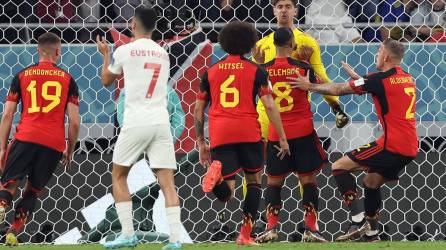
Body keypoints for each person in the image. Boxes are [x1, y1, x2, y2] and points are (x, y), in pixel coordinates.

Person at [288, 38, 418, 242]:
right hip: (410, 146)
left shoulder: (378, 80)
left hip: (391, 145)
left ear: (385, 56)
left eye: (378, 51)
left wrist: (308, 86)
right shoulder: (406, 78)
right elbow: (383, 90)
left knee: (339, 166)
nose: (377, 55)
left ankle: (358, 220)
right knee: (371, 182)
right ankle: (373, 234)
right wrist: (358, 78)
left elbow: (339, 90)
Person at [194, 21, 290, 245]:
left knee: (227, 194)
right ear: (249, 44)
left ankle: (216, 178)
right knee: (254, 182)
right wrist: (282, 137)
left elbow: (198, 108)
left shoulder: (210, 72)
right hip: (248, 132)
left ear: (224, 43)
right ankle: (245, 235)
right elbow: (269, 105)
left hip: (220, 134)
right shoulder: (258, 71)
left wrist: (201, 142)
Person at [96, 6, 182, 250]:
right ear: (154, 26)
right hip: (160, 122)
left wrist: (105, 54)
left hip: (135, 121)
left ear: (132, 25)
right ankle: (175, 241)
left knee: (119, 175)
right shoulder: (163, 53)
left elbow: (105, 80)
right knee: (167, 183)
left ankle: (128, 233)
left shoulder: (124, 50)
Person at [0, 32, 80, 246]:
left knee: (9, 185)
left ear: (38, 51)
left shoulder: (22, 75)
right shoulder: (68, 80)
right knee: (32, 191)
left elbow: (7, 114)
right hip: (53, 144)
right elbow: (74, 122)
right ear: (58, 52)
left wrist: (1, 148)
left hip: (25, 137)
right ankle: (13, 231)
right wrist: (69, 150)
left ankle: (1, 206)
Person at [254, 27, 328, 244]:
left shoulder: (263, 71)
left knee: (274, 182)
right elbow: (323, 87)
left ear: (273, 45)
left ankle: (271, 228)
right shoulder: (302, 68)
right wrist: (309, 64)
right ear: (291, 44)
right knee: (308, 180)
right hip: (303, 131)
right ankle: (311, 228)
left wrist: (258, 64)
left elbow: (256, 91)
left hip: (277, 133)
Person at [252, 0, 349, 142]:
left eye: (288, 7)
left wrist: (336, 107)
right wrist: (259, 64)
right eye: (279, 7)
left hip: (297, 113)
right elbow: (254, 81)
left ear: (295, 11)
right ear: (274, 11)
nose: (283, 10)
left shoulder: (307, 42)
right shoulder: (262, 44)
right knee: (264, 160)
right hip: (267, 112)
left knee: (296, 161)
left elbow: (320, 75)